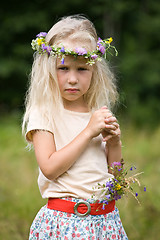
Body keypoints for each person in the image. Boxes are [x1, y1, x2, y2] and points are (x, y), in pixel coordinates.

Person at [22, 15, 128, 240]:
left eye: (82, 69)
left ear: (95, 71)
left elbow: (116, 181)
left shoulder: (96, 113)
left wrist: (115, 143)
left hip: (106, 222)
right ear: (49, 69)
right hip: (66, 223)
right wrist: (89, 132)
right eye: (63, 69)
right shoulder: (44, 114)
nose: (72, 79)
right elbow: (49, 168)